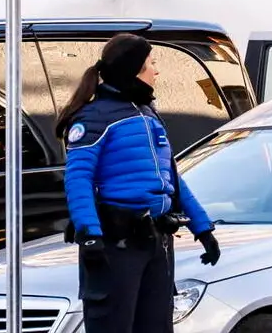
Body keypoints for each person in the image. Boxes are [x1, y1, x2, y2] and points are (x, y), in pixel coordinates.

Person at [57, 34, 221, 333]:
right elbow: (78, 178)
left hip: (156, 240)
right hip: (117, 243)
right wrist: (89, 233)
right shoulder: (94, 118)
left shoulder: (146, 113)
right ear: (134, 69)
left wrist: (203, 227)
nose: (156, 71)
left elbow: (170, 178)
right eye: (151, 63)